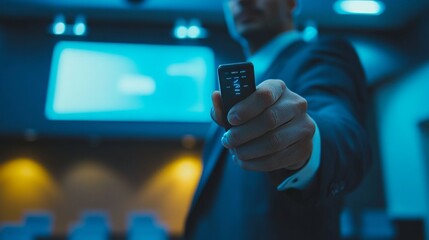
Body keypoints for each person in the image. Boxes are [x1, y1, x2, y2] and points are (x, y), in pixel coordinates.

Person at [184, 0, 371, 239]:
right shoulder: (234, 88)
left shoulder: (324, 55)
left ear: (291, 3)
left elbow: (345, 132)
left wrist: (308, 144)